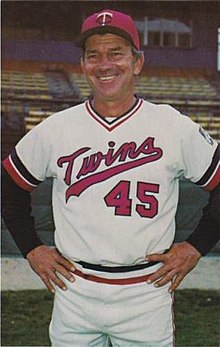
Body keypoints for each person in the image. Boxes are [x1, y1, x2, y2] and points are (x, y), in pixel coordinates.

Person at [2, 8, 220, 347]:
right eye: (94, 55)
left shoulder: (172, 126)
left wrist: (195, 247)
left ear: (137, 62)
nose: (105, 64)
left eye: (116, 53)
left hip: (146, 291)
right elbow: (8, 184)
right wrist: (32, 249)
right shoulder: (57, 128)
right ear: (84, 65)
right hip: (74, 289)